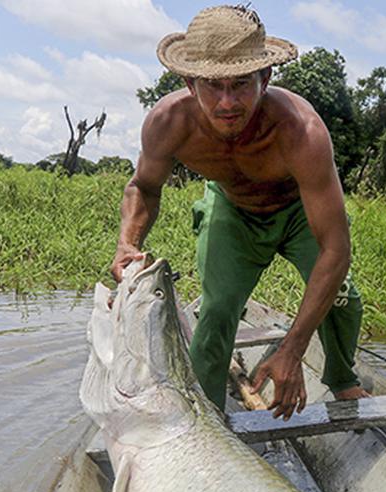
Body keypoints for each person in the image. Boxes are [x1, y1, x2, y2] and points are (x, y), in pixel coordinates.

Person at [110, 4, 368, 419]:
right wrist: (128, 242)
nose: (227, 102)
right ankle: (208, 417)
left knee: (343, 301)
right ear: (189, 82)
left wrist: (292, 349)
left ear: (265, 79)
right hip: (233, 209)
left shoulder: (301, 130)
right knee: (215, 314)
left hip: (299, 212)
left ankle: (341, 380)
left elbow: (335, 249)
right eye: (213, 86)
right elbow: (143, 187)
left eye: (241, 84)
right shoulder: (168, 121)